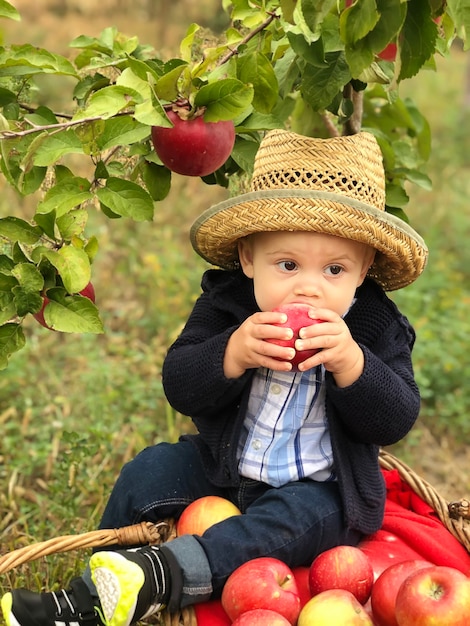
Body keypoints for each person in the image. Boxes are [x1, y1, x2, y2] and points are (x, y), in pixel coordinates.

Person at [2, 129, 428, 626]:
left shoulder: (376, 327)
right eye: (287, 265)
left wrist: (353, 364)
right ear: (248, 258)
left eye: (335, 270)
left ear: (364, 269)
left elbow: (398, 417)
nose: (309, 289)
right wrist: (232, 352)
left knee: (295, 520)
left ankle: (162, 575)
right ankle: (92, 595)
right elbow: (179, 382)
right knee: (148, 472)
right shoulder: (227, 304)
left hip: (318, 488)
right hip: (223, 471)